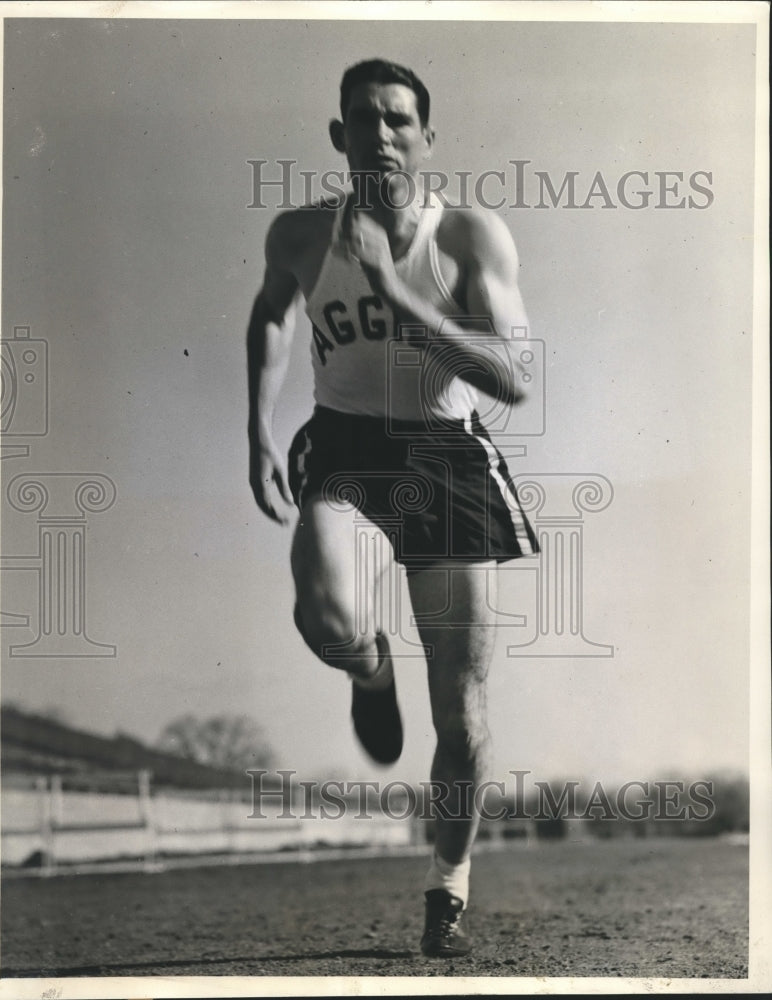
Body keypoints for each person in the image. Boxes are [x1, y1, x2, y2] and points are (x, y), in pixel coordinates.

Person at [247, 58, 538, 958]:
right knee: (328, 610)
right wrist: (259, 428)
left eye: (399, 120)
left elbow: (513, 381)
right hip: (344, 447)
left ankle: (447, 887)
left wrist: (395, 293)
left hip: (445, 454)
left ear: (426, 136)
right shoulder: (299, 234)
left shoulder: (468, 237)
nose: (381, 135)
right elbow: (271, 315)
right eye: (363, 120)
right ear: (339, 136)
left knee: (462, 713)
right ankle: (370, 673)